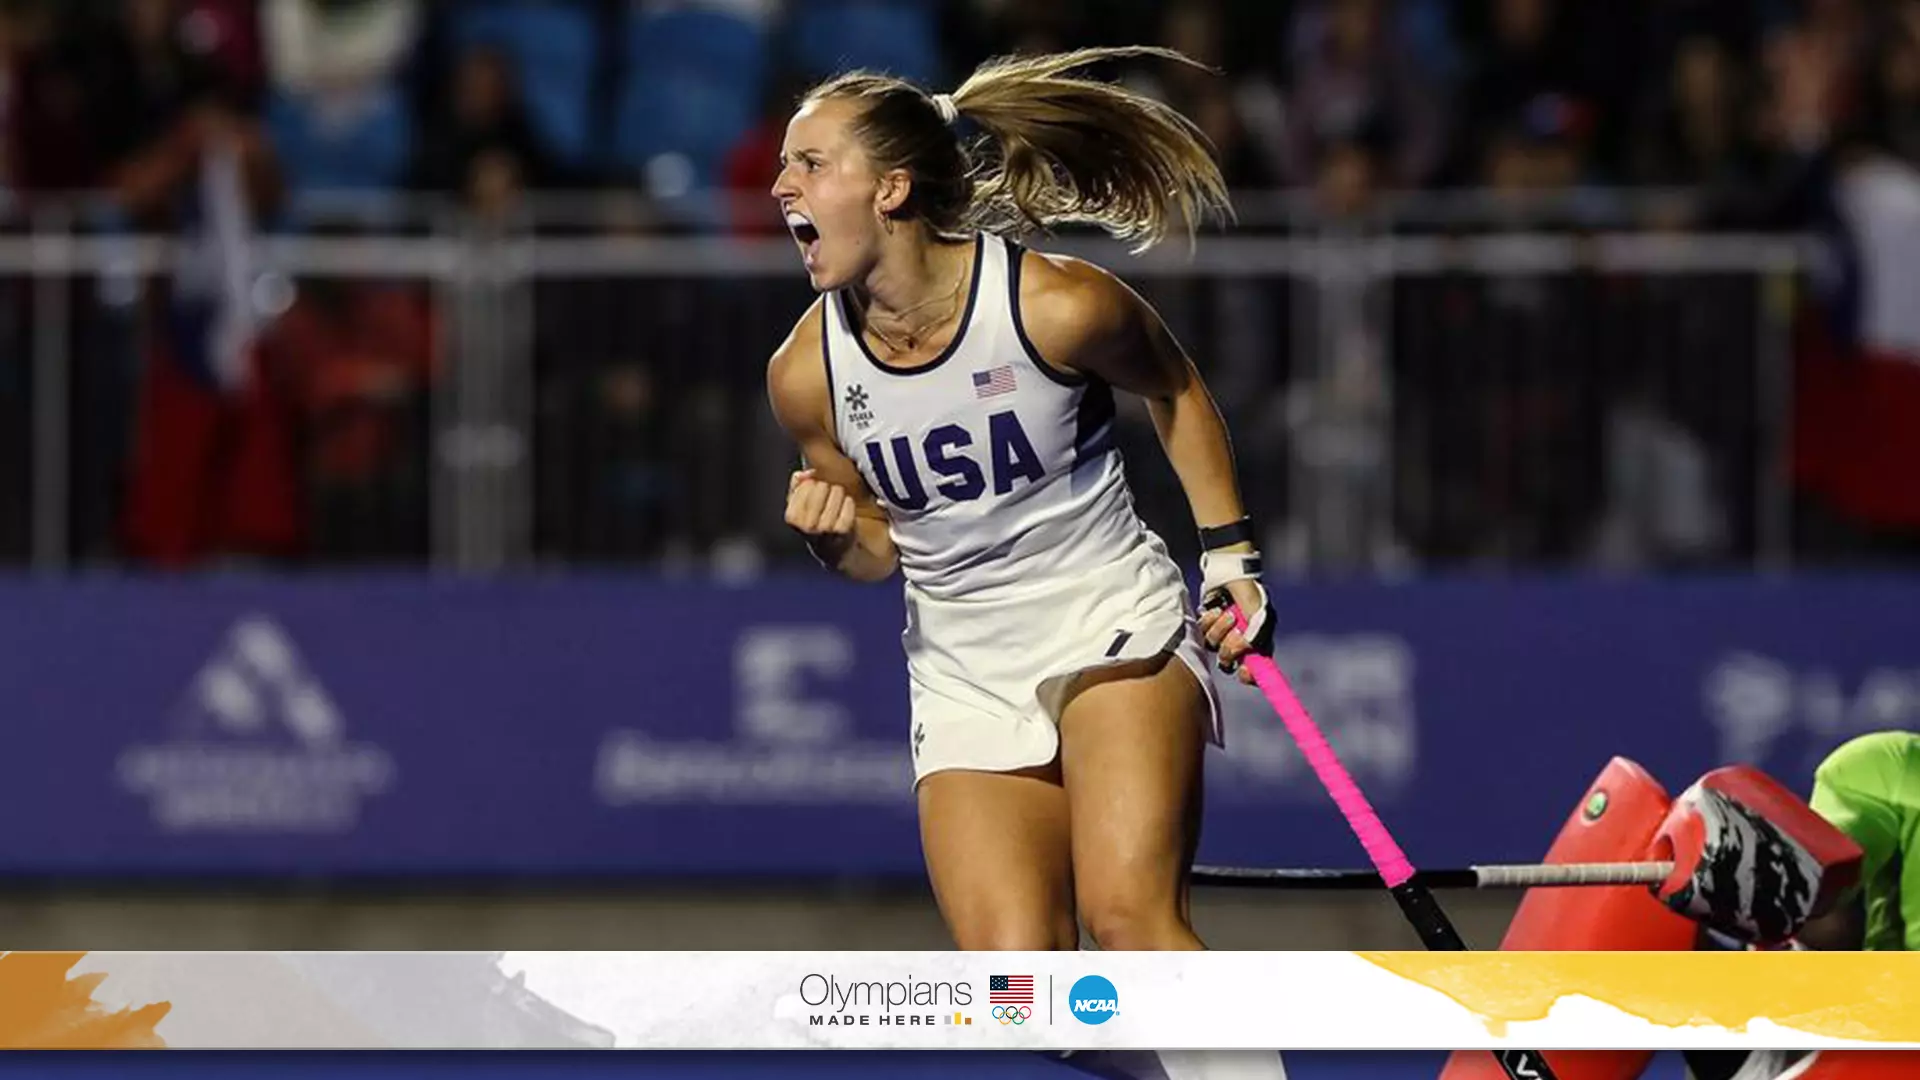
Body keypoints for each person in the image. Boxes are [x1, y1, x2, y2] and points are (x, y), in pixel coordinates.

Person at [764, 46, 1287, 1080]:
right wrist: (836, 539)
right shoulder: (805, 376)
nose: (783, 185)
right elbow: (879, 555)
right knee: (1025, 1002)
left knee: (1130, 920)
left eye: (811, 162)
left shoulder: (1056, 305)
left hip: (1111, 621)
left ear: (893, 186)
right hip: (962, 666)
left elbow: (1176, 391)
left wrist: (1230, 560)